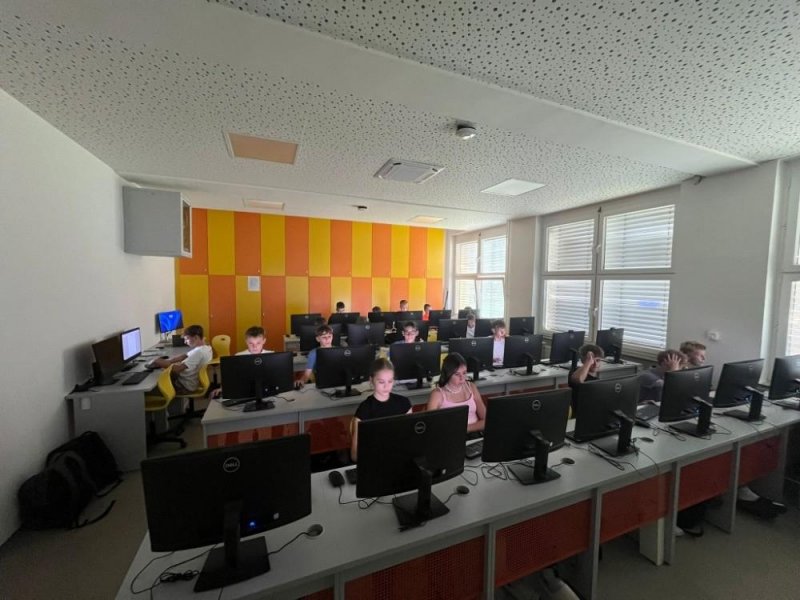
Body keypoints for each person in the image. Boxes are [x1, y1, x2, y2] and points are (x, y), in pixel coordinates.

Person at [350, 358, 412, 461]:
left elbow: (410, 440)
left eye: (390, 381)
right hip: (375, 460)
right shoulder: (364, 410)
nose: (386, 386)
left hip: (399, 458)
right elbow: (354, 455)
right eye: (381, 382)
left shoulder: (404, 404)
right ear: (371, 381)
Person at [427, 353, 486, 433]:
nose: (462, 378)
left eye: (464, 373)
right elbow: (430, 426)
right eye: (457, 374)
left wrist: (462, 429)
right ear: (448, 374)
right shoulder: (437, 394)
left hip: (474, 434)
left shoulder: (471, 387)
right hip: (450, 437)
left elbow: (486, 420)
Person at [211, 326, 272, 398]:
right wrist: (223, 388)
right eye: (251, 343)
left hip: (267, 392)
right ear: (246, 341)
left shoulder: (271, 355)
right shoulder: (238, 356)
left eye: (258, 343)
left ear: (264, 341)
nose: (255, 347)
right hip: (245, 393)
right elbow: (230, 378)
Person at [152, 324, 212, 394]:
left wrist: (158, 361)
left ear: (196, 337)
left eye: (187, 339)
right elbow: (183, 356)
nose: (185, 342)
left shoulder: (199, 352)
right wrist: (168, 361)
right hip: (189, 382)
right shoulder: (205, 348)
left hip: (185, 386)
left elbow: (177, 369)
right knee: (162, 374)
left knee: (153, 384)